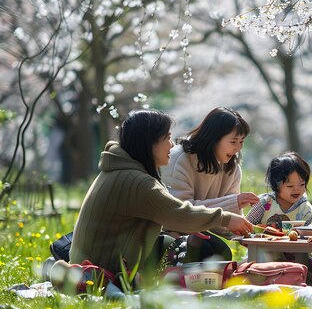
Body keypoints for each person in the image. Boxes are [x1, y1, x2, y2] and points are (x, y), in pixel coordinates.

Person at [69, 109, 254, 276]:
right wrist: (226, 219)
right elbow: (178, 213)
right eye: (167, 138)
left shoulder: (126, 172)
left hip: (105, 256)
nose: (172, 145)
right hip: (101, 267)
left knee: (209, 247)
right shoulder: (137, 182)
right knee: (208, 250)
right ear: (149, 142)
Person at [160, 107, 259, 260]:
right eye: (233, 141)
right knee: (208, 251)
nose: (238, 148)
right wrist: (234, 202)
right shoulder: (179, 159)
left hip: (202, 233)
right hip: (169, 233)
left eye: (241, 142)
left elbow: (228, 223)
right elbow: (180, 212)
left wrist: (248, 232)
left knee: (221, 252)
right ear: (213, 138)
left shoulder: (232, 167)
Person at [247, 152, 312, 228]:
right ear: (276, 185)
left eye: (302, 184)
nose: (297, 189)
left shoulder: (305, 208)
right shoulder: (265, 204)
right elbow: (246, 225)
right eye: (290, 186)